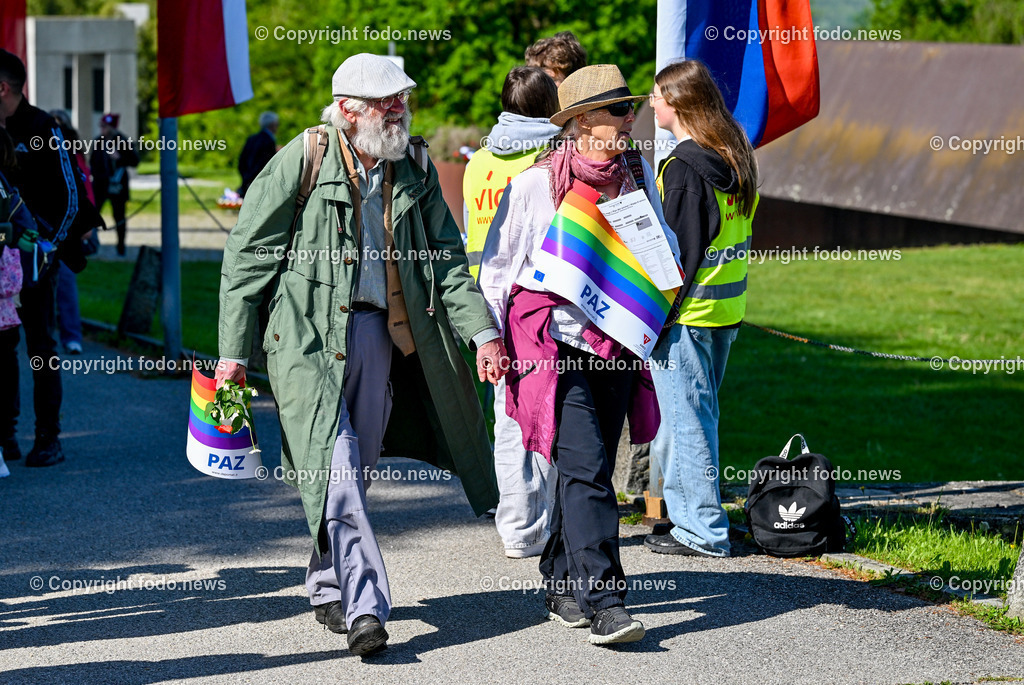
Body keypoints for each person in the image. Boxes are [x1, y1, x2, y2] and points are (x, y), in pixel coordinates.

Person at [216, 53, 508, 657]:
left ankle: (327, 578)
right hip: (304, 340)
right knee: (338, 464)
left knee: (359, 466)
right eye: (385, 100)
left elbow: (448, 263)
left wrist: (482, 333)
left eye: (403, 97)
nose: (399, 107)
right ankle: (366, 607)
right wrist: (232, 356)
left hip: (383, 337)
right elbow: (246, 259)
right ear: (347, 108)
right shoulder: (303, 159)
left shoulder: (415, 165)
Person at [479, 64, 679, 645]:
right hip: (553, 346)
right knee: (591, 467)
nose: (628, 120)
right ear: (581, 122)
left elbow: (661, 246)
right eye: (617, 111)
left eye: (629, 109)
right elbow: (497, 271)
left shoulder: (636, 177)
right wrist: (489, 342)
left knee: (579, 467)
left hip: (618, 343)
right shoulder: (537, 186)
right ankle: (606, 600)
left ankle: (561, 578)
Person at [643, 60, 759, 558]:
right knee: (690, 418)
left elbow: (678, 255)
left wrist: (655, 315)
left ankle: (702, 531)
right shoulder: (734, 157)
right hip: (724, 310)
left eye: (656, 95)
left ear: (677, 102)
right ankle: (680, 512)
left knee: (688, 421)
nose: (650, 103)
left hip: (687, 315)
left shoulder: (685, 167)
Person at [463, 66, 561, 558]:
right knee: (545, 419)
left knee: (507, 420)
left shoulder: (479, 160)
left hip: (486, 303)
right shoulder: (551, 158)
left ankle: (515, 528)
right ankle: (543, 526)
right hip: (535, 306)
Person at [0, 49, 98, 467]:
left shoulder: (45, 127)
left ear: (2, 88)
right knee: (2, 351)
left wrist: (47, 248)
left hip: (38, 261)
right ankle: (5, 437)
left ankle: (48, 437)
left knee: (41, 346)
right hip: (1, 267)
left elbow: (72, 196)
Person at [0, 125, 33, 471]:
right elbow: (26, 227)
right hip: (7, 301)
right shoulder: (8, 189)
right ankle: (7, 436)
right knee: (7, 365)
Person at [50, 109, 93, 355]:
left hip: (68, 230)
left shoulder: (75, 156)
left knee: (66, 283)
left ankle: (71, 336)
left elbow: (86, 189)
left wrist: (86, 224)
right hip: (43, 228)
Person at [90, 112, 138, 256]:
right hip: (100, 185)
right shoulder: (98, 141)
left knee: (119, 217)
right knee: (93, 215)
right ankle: (91, 244)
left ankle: (121, 247)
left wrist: (119, 158)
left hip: (118, 186)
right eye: (101, 126)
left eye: (105, 126)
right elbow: (93, 162)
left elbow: (135, 161)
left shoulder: (122, 141)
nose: (102, 129)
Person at [238, 111, 279, 196]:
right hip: (259, 182)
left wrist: (246, 177)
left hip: (247, 180)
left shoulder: (252, 139)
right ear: (272, 124)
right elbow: (267, 163)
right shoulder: (269, 141)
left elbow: (241, 161)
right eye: (277, 124)